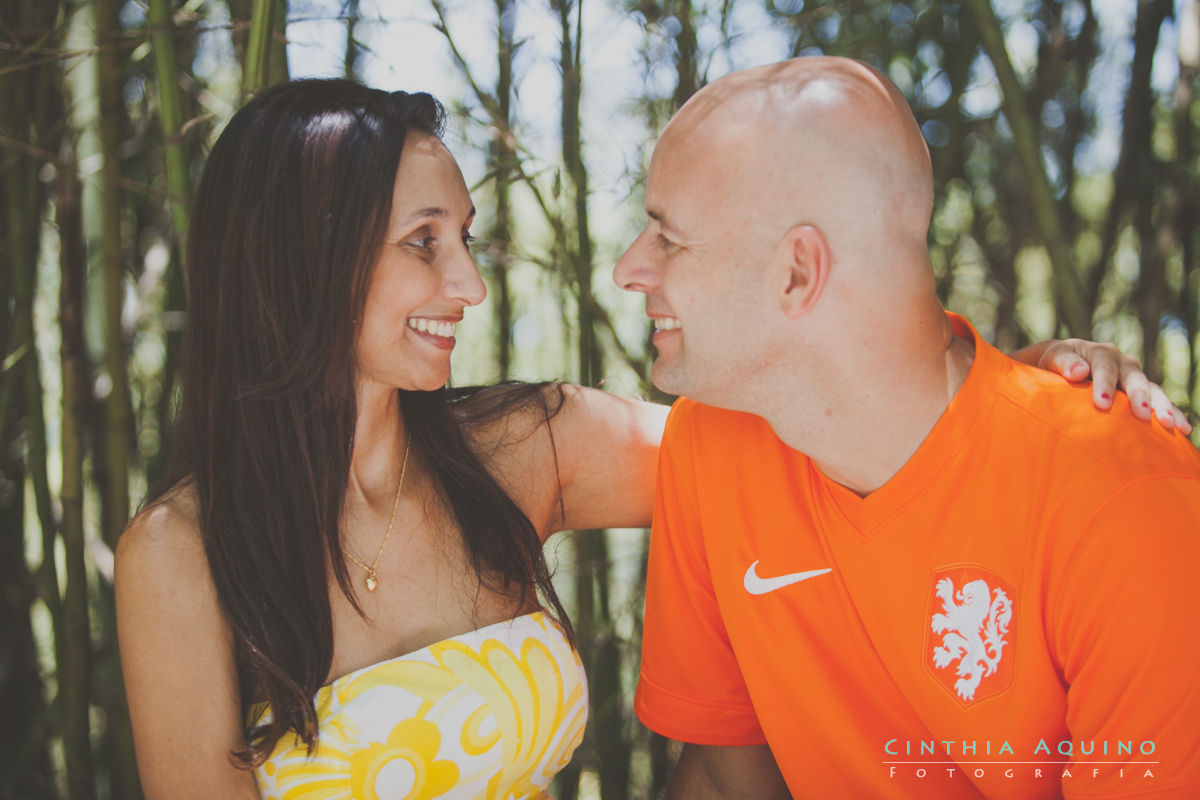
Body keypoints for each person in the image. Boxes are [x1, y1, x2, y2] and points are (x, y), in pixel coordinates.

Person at [116, 77, 1176, 800]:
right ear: (300, 262)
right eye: (421, 243)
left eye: (467, 239)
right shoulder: (179, 556)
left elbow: (842, 422)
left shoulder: (528, 448)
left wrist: (1022, 388)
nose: (470, 284)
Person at [617, 57, 1200, 799]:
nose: (628, 268)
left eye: (667, 238)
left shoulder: (1122, 496)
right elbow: (728, 783)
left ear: (797, 272)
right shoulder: (709, 445)